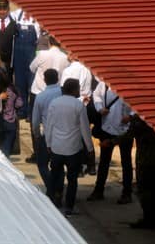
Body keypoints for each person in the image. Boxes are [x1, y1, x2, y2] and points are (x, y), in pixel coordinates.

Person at [45, 78, 94, 215]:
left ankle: (54, 200)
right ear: (73, 90)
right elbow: (85, 129)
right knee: (72, 180)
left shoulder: (54, 103)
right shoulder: (78, 106)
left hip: (57, 147)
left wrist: (48, 144)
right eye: (78, 88)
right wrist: (90, 149)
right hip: (73, 149)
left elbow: (49, 125)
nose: (79, 90)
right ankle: (69, 207)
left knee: (55, 176)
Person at [87, 81, 134, 204]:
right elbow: (96, 96)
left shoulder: (131, 86)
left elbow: (138, 103)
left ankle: (127, 192)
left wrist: (131, 116)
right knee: (104, 161)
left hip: (125, 129)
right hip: (107, 127)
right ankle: (99, 190)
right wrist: (99, 108)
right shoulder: (104, 85)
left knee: (126, 162)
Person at [26, 36, 69, 163]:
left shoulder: (42, 54)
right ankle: (53, 151)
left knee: (36, 122)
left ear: (49, 43)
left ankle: (38, 152)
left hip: (38, 91)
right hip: (56, 92)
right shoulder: (64, 57)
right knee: (54, 123)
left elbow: (31, 68)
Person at [129, 115, 155, 229]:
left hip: (145, 161)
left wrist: (111, 142)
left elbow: (128, 135)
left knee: (145, 191)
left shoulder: (138, 119)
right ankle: (154, 219)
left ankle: (149, 220)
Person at [60, 54, 95, 175]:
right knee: (86, 133)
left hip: (73, 104)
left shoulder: (67, 71)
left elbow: (63, 88)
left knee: (75, 136)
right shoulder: (87, 69)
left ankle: (78, 166)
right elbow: (89, 88)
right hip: (86, 103)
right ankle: (91, 165)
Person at [31, 69, 62, 204]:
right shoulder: (63, 93)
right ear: (58, 78)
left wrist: (37, 135)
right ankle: (59, 191)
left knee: (42, 164)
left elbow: (35, 120)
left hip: (46, 135)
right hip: (62, 135)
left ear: (44, 80)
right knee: (59, 166)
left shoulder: (40, 96)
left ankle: (51, 188)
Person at [11, 8, 40, 119]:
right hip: (19, 57)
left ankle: (31, 113)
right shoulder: (17, 13)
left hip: (31, 56)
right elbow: (5, 15)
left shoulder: (37, 15)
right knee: (19, 84)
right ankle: (22, 111)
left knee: (32, 85)